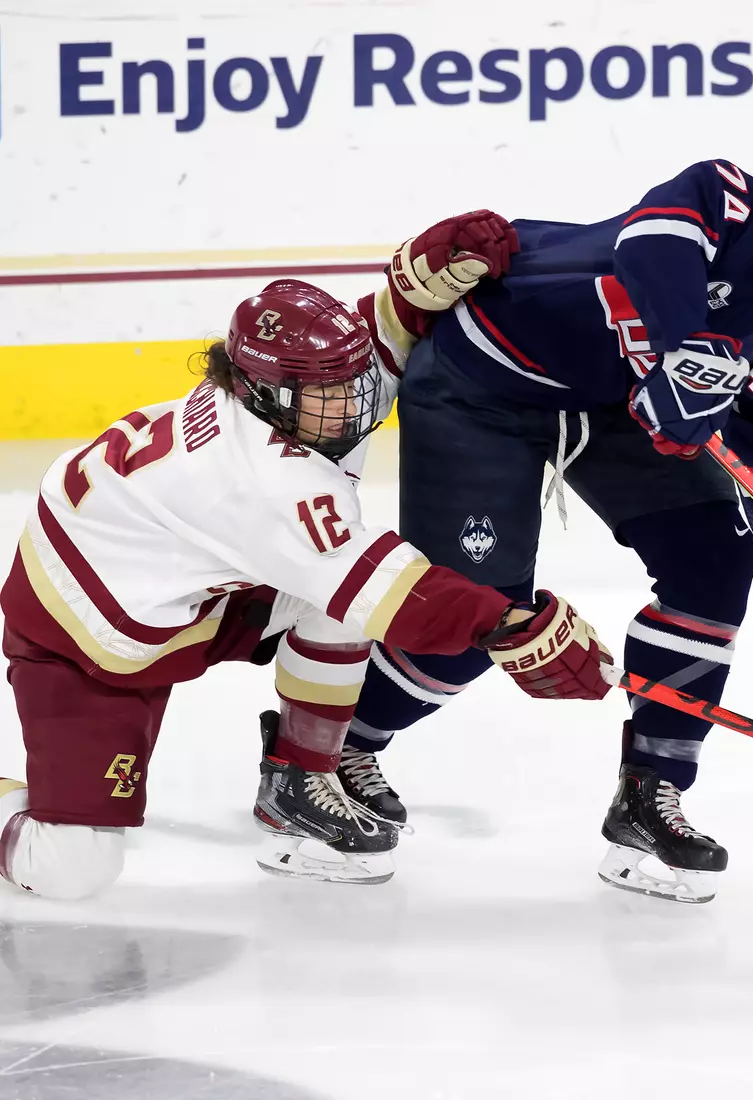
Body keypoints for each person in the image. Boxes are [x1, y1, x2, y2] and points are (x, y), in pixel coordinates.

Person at [341, 139, 753, 904]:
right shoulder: (735, 205)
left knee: (713, 562)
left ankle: (650, 794)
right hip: (488, 376)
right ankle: (327, 749)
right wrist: (685, 357)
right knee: (479, 615)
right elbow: (652, 243)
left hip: (619, 409)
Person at [0, 220, 614, 900]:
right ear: (267, 395)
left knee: (335, 596)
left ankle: (299, 776)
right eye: (332, 391)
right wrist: (509, 625)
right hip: (88, 632)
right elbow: (386, 587)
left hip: (180, 582)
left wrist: (411, 291)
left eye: (349, 380)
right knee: (72, 869)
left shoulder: (288, 399)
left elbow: (370, 351)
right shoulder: (257, 479)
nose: (356, 400)